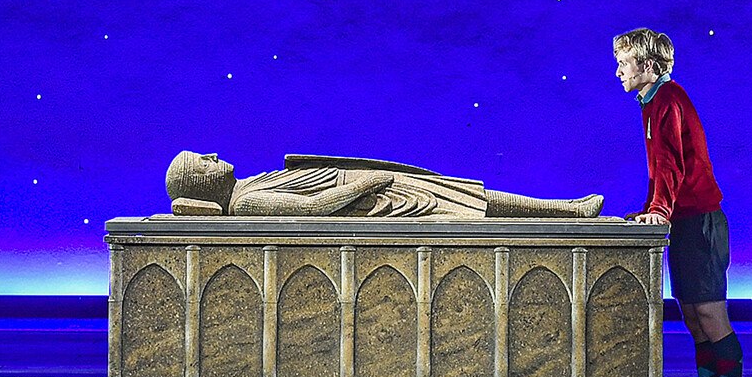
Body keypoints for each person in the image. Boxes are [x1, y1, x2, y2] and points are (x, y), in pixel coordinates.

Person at [614, 26, 750, 377]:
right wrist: (651, 206)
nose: (619, 71)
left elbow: (672, 163)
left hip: (701, 222)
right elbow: (661, 167)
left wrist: (659, 210)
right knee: (693, 319)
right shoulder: (651, 102)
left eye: (625, 63)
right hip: (686, 221)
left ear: (648, 65)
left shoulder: (668, 99)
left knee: (710, 317)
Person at [163, 151, 603, 219]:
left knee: (470, 195)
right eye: (203, 162)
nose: (213, 156)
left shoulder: (250, 184)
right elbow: (314, 209)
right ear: (198, 183)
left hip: (376, 188)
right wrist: (369, 182)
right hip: (376, 201)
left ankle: (567, 208)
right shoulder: (247, 203)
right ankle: (568, 212)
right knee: (472, 205)